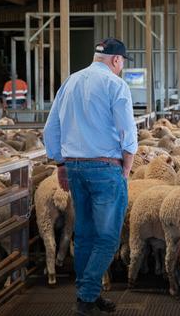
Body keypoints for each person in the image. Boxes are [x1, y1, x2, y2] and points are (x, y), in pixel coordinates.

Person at [43, 38, 137, 316]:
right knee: (107, 238)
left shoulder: (70, 82)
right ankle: (85, 298)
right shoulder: (115, 84)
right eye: (121, 63)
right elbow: (128, 132)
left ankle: (89, 293)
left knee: (84, 235)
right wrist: (126, 168)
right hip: (105, 168)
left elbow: (51, 128)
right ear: (116, 60)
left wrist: (60, 165)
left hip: (74, 167)